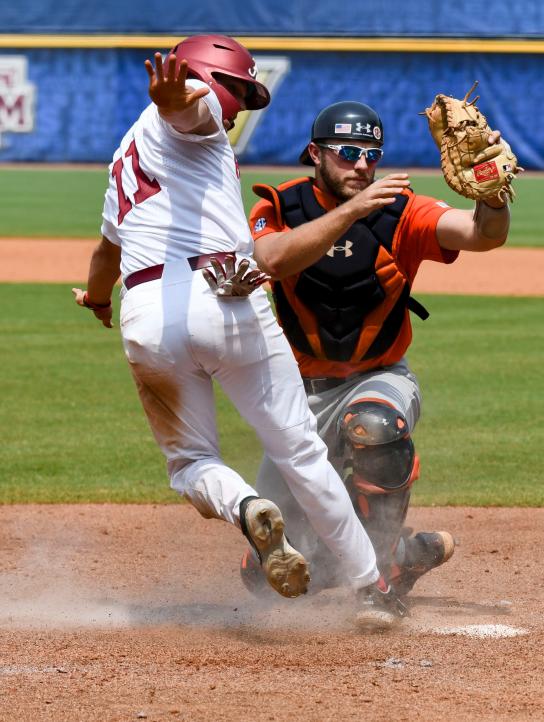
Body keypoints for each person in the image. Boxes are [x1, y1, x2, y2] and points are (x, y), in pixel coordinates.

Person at [72, 35, 406, 631]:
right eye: (236, 90)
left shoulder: (125, 155)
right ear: (202, 77)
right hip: (228, 296)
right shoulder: (186, 115)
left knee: (191, 463)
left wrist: (98, 298)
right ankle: (372, 587)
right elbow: (191, 109)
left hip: (147, 312)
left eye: (247, 97)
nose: (237, 108)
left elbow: (105, 252)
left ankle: (249, 507)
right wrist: (177, 99)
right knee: (302, 452)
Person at [241, 101, 511, 598]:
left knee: (375, 425)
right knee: (267, 578)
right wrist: (354, 211)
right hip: (299, 393)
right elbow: (270, 260)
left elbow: (482, 236)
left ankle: (382, 576)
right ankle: (409, 555)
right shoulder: (279, 206)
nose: (362, 164)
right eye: (347, 152)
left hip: (378, 375)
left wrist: (492, 198)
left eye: (371, 153)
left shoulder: (402, 208)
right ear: (314, 153)